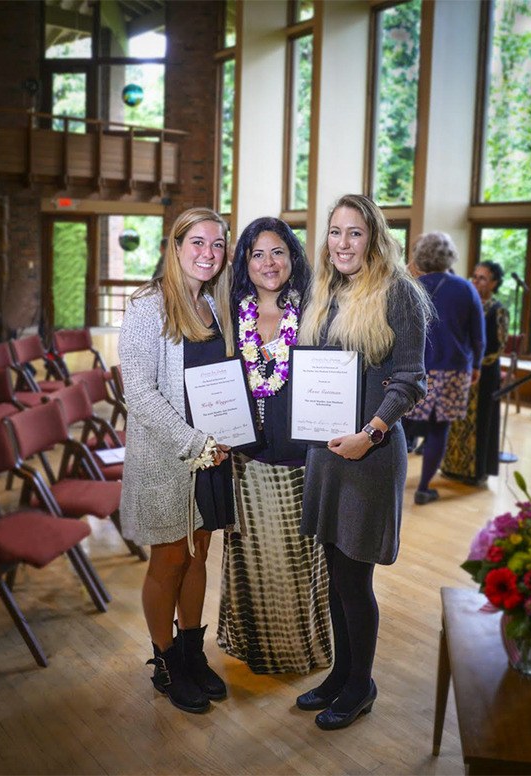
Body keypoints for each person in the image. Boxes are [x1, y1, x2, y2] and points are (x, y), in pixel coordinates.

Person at [296, 194, 430, 731]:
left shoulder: (401, 294)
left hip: (368, 455)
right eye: (334, 232)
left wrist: (369, 434)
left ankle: (360, 686)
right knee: (335, 575)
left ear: (374, 237)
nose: (343, 243)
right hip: (327, 454)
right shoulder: (325, 292)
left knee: (356, 580)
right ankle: (340, 674)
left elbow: (410, 380)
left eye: (354, 233)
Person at [119, 207, 236, 714]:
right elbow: (139, 393)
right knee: (168, 559)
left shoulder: (214, 304)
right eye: (198, 243)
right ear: (176, 245)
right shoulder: (149, 305)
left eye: (217, 245)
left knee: (199, 554)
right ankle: (165, 661)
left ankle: (192, 652)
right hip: (170, 458)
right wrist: (193, 443)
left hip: (212, 457)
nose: (208, 253)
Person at [217, 217, 332, 674]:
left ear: (293, 257)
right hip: (245, 458)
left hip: (301, 458)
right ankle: (257, 647)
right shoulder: (230, 312)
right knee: (253, 558)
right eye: (258, 253)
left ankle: (300, 649)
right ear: (245, 261)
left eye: (278, 252)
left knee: (298, 560)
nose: (269, 263)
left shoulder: (314, 313)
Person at [403, 231, 486, 505]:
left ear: (420, 257)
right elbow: (478, 336)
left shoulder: (412, 287)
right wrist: (476, 366)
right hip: (454, 369)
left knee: (404, 423)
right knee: (440, 428)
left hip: (418, 367)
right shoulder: (465, 289)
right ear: (450, 255)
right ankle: (424, 488)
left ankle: (394, 481)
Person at [441, 260, 510, 485]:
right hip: (459, 371)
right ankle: (452, 467)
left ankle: (475, 472)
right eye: (475, 276)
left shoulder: (498, 310)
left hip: (484, 375)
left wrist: (475, 364)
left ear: (494, 283)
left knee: (480, 422)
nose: (476, 281)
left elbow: (498, 347)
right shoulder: (467, 303)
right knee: (455, 422)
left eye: (482, 278)